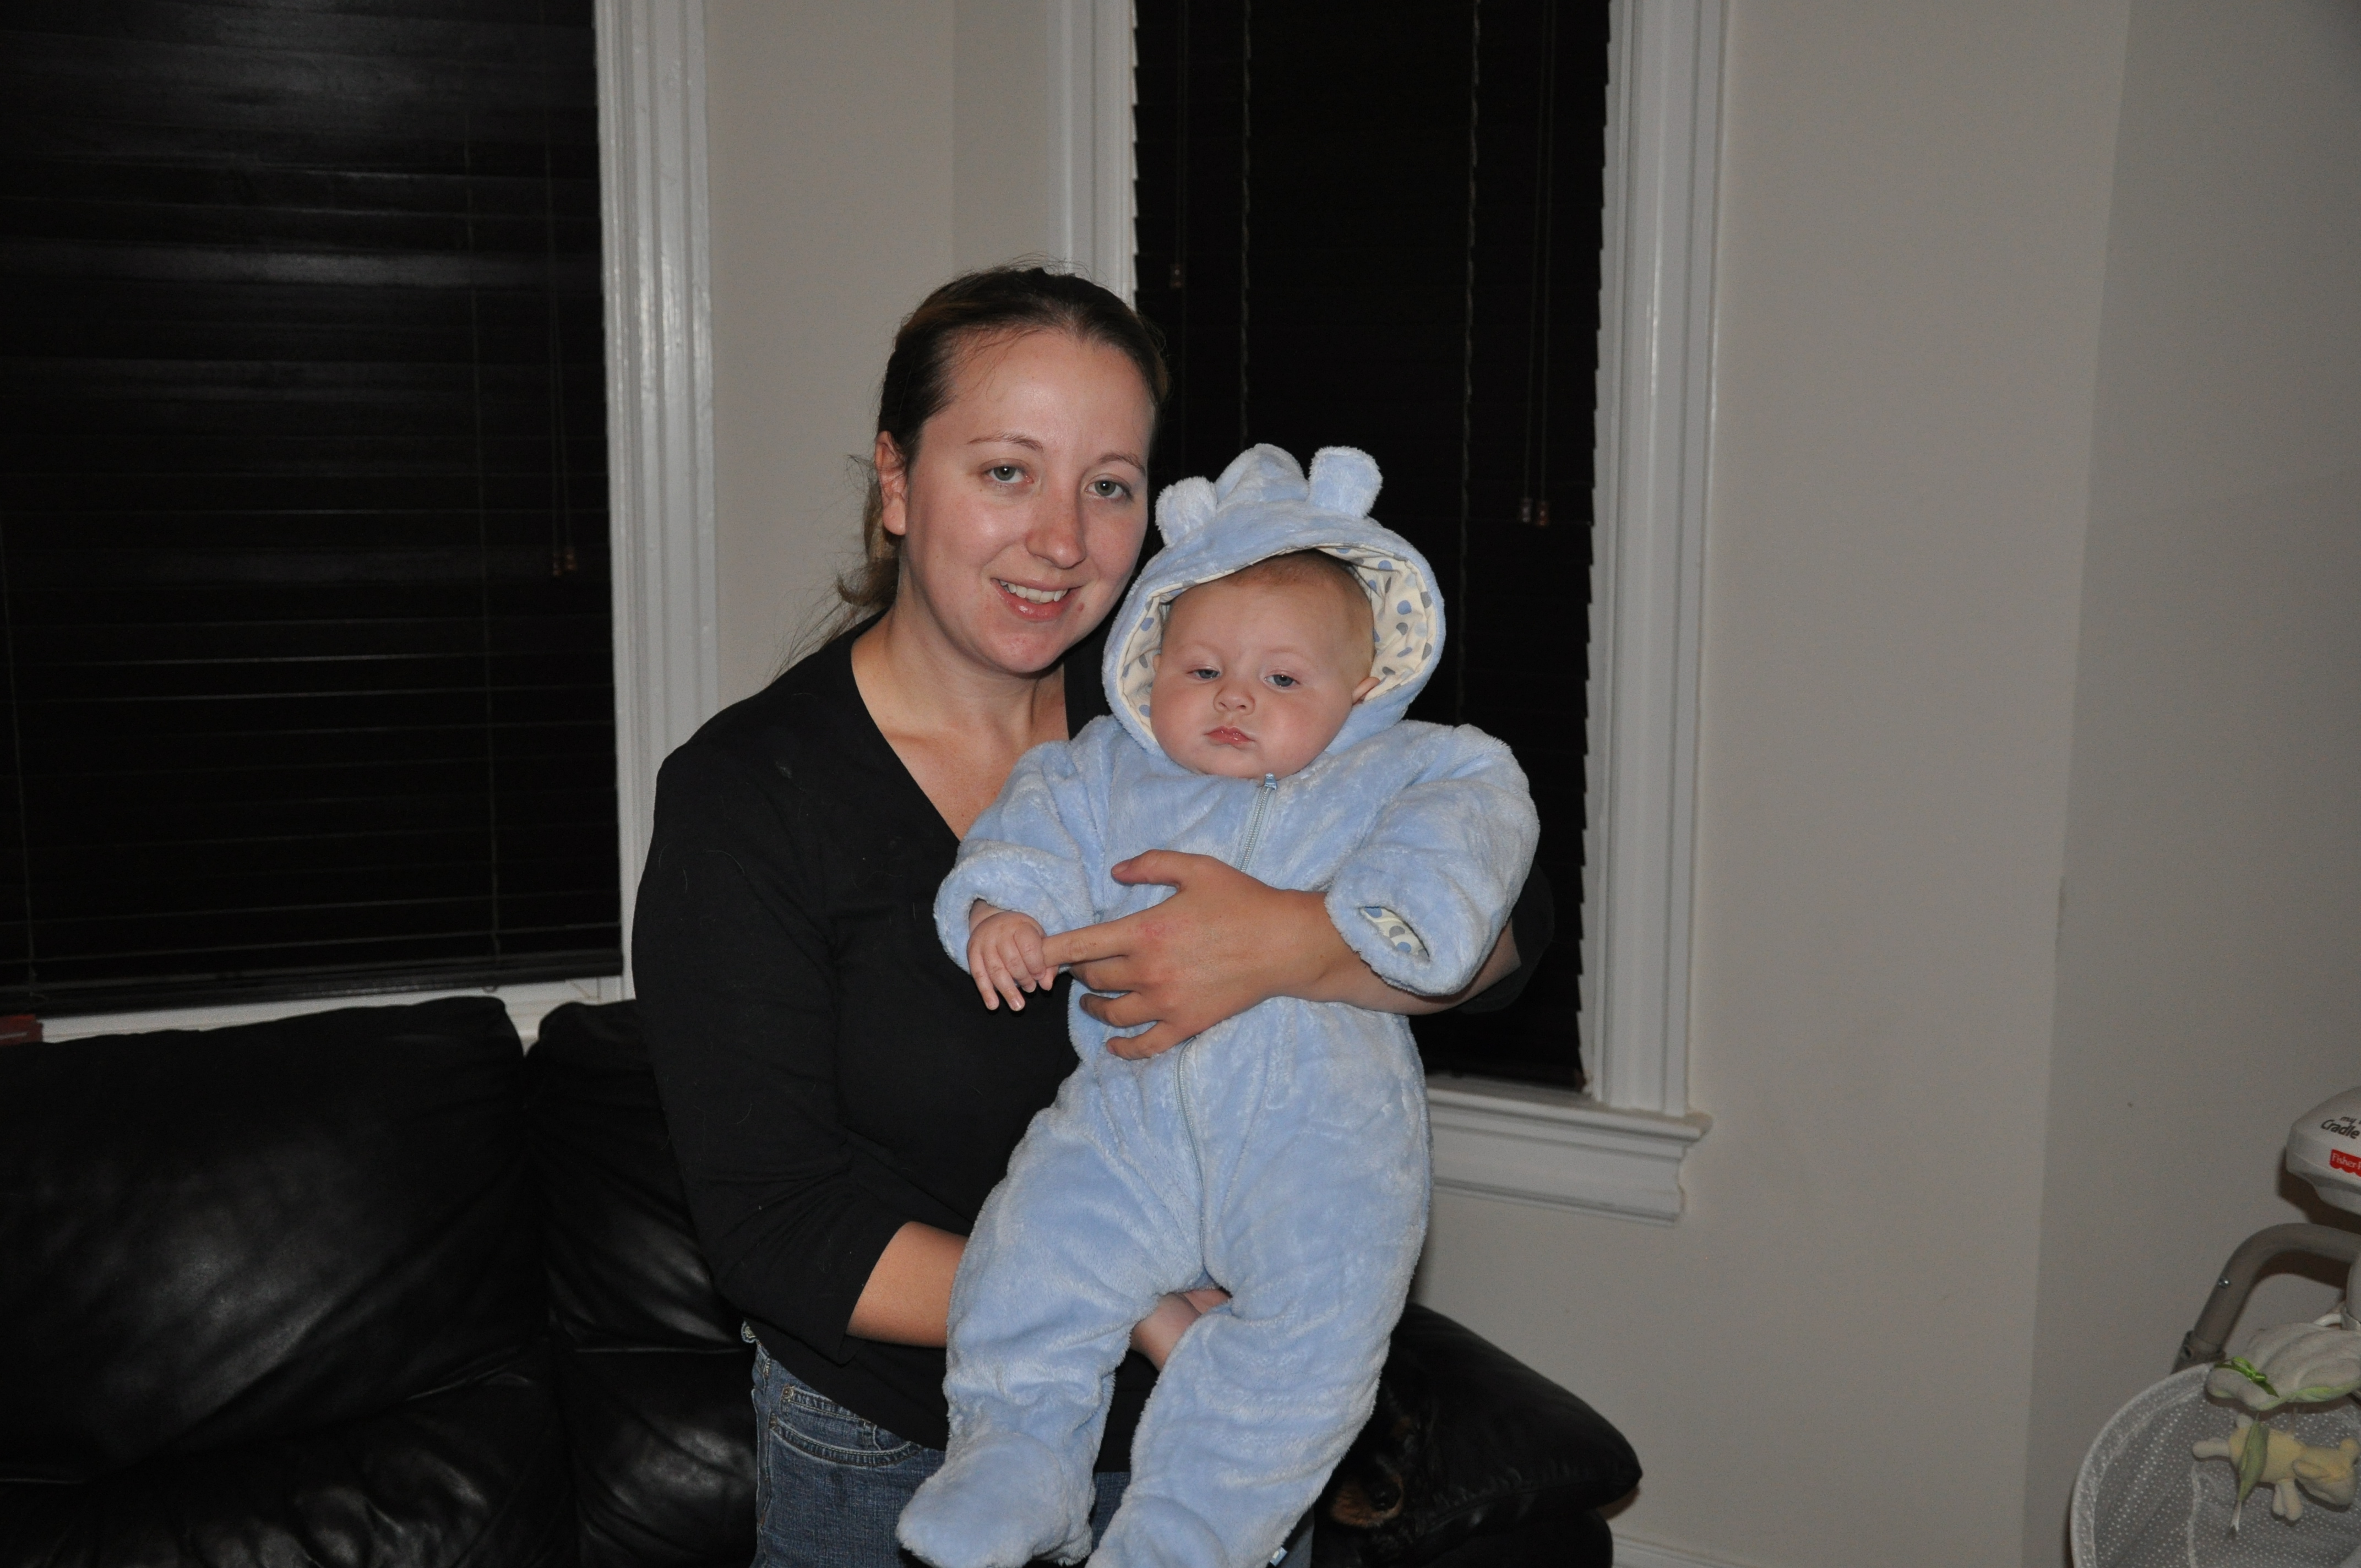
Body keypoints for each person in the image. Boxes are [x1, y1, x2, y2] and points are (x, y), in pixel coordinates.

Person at [632, 268, 1550, 1568]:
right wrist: (1140, 1308)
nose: (1063, 540)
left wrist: (1287, 942)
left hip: (1216, 1459)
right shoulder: (748, 797)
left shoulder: (1193, 708)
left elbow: (1506, 928)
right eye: (1007, 471)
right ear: (895, 483)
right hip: (901, 1454)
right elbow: (775, 1230)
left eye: (1108, 485)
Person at [896, 444, 1537, 1568]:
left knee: (1312, 1341)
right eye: (1201, 669)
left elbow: (1480, 818)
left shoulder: (1406, 768)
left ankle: (1188, 1538)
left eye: (1284, 679)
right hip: (1127, 1117)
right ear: (1149, 666)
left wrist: (1390, 916)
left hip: (1321, 1139)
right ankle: (1016, 1458)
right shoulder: (1103, 766)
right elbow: (1035, 823)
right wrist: (1005, 905)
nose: (1236, 695)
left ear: (1362, 690)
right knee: (1031, 1252)